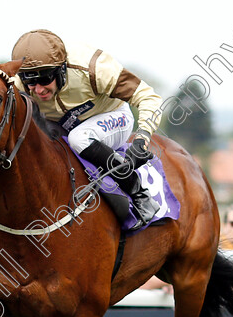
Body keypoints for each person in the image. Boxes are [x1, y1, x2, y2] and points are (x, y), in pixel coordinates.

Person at [11, 29, 163, 230]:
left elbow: (149, 98)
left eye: (45, 79)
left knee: (79, 137)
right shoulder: (19, 83)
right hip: (61, 126)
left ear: (61, 69)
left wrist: (141, 138)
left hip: (113, 117)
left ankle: (138, 192)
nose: (38, 90)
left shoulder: (94, 67)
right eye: (30, 81)